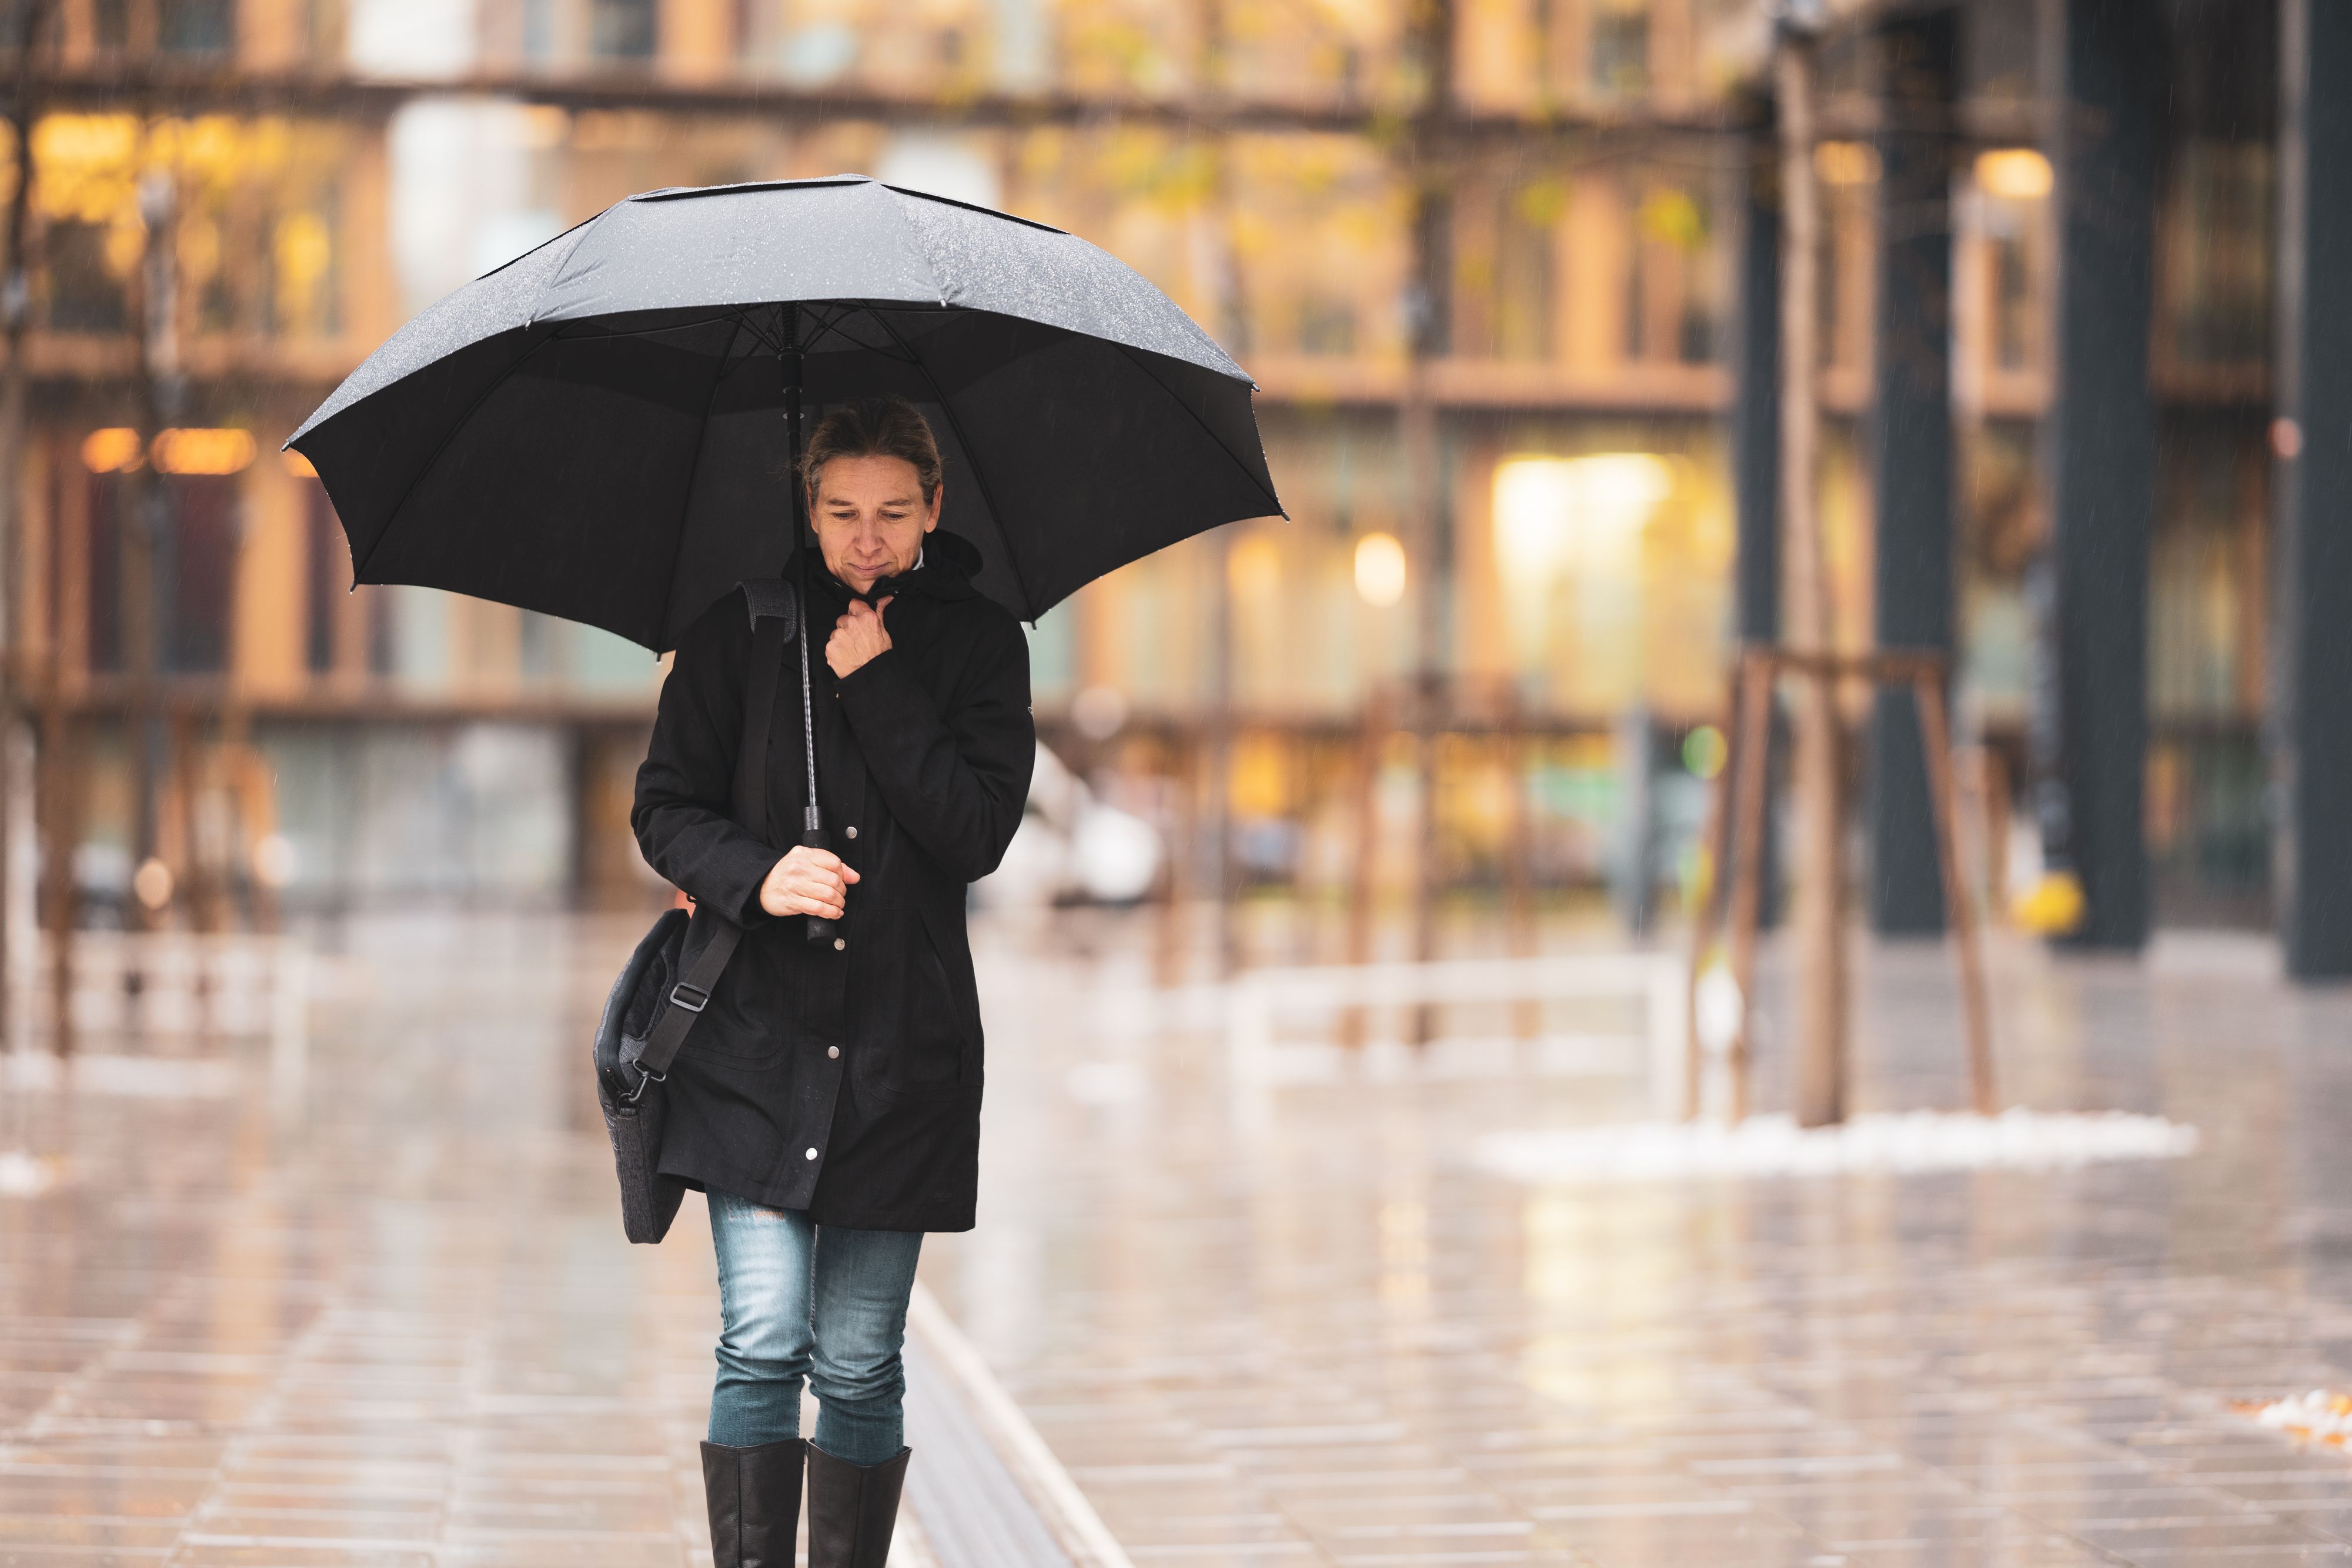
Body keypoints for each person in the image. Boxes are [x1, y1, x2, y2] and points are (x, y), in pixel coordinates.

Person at [633, 394, 1035, 1567]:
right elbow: (662, 806)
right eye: (842, 511)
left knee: (858, 1357)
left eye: (892, 514)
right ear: (806, 507)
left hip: (898, 1057)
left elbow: (973, 833)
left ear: (934, 508)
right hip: (751, 1043)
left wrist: (878, 681)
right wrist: (759, 874)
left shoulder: (980, 644)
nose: (866, 539)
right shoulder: (739, 632)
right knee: (760, 1334)